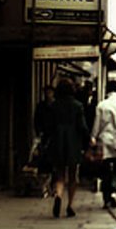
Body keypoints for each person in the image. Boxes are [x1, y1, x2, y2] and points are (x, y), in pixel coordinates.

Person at [43, 78, 89, 218]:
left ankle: (58, 196)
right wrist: (88, 141)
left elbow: (48, 127)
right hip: (73, 142)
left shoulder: (53, 106)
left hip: (57, 142)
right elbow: (82, 127)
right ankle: (70, 205)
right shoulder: (77, 106)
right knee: (73, 175)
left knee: (60, 174)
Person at [91, 80, 116, 208]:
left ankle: (106, 196)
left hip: (104, 140)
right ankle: (113, 189)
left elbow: (97, 123)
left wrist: (93, 137)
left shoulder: (101, 105)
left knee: (105, 169)